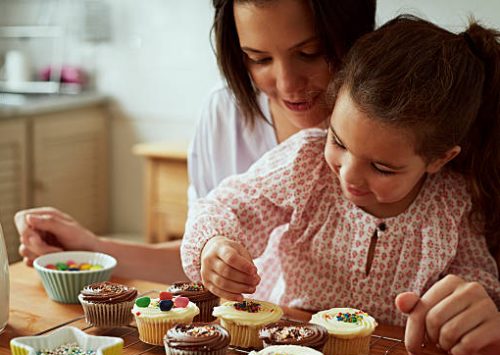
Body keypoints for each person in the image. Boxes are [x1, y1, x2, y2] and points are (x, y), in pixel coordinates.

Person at [180, 15, 500, 355]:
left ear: (439, 159)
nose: (349, 176)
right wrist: (213, 245)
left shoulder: (452, 204)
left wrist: (473, 315)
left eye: (382, 168)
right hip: (284, 350)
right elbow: (229, 205)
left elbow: (479, 280)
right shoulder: (306, 163)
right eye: (339, 141)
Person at [14, 0, 376, 282]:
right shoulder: (224, 113)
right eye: (259, 58)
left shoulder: (394, 123)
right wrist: (94, 248)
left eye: (309, 53)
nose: (286, 85)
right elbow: (198, 259)